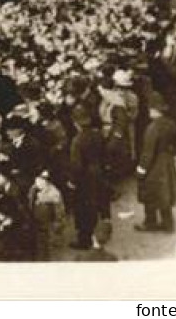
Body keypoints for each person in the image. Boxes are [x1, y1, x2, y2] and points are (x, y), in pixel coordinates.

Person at [135, 91, 176, 233]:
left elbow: (147, 153)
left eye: (150, 109)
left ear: (155, 110)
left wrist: (141, 169)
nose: (149, 112)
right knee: (165, 193)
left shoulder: (152, 128)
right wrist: (170, 152)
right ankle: (168, 224)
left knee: (149, 192)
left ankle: (150, 222)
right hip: (167, 162)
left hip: (154, 165)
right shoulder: (171, 123)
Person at [68, 105, 108, 251]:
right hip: (98, 174)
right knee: (97, 204)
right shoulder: (98, 134)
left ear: (76, 123)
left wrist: (72, 182)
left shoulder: (77, 141)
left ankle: (84, 240)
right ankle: (98, 232)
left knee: (83, 209)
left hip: (84, 179)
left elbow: (76, 166)